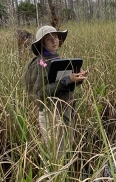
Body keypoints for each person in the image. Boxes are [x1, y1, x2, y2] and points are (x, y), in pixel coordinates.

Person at [26, 25, 88, 157]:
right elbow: (41, 93)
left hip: (64, 111)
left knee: (66, 151)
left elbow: (64, 86)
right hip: (51, 115)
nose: (54, 41)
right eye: (49, 39)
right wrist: (66, 80)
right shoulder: (41, 63)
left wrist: (78, 78)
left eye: (56, 37)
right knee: (56, 156)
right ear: (42, 44)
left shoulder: (56, 60)